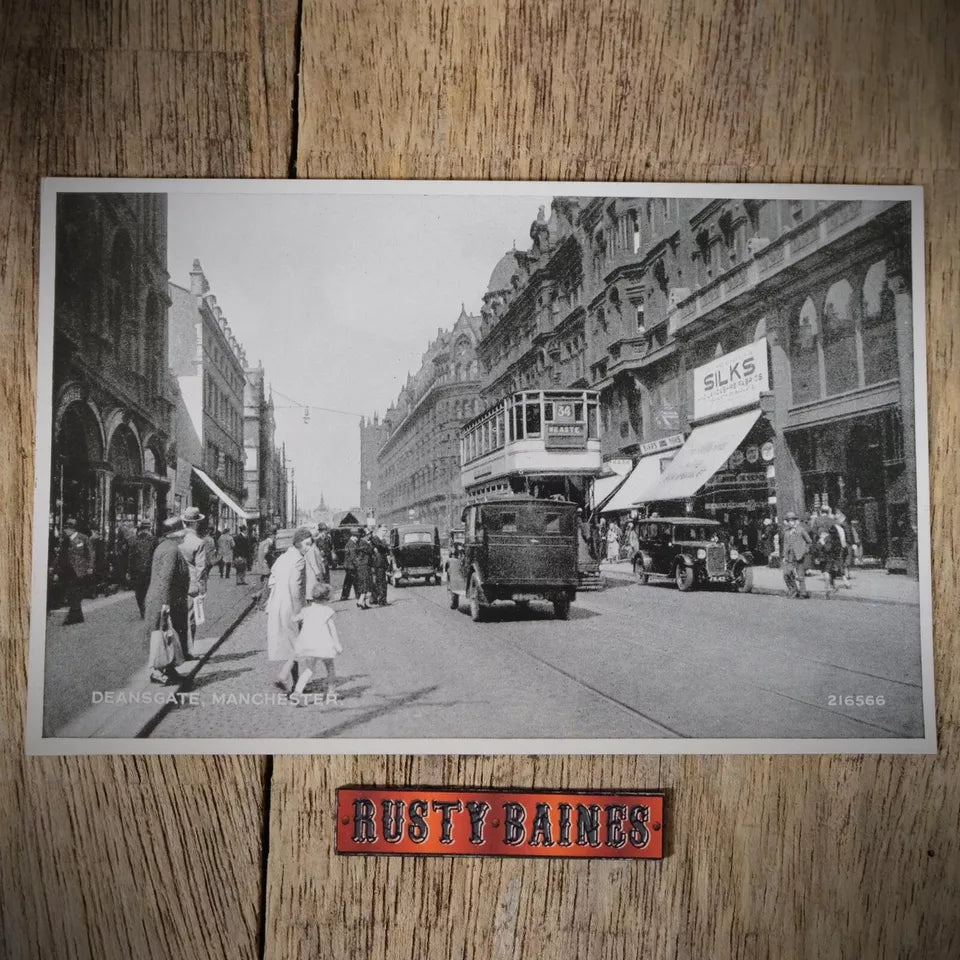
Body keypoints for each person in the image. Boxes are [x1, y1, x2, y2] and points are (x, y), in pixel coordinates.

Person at [142, 516, 196, 681]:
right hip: (163, 599)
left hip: (162, 598)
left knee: (166, 636)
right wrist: (165, 604)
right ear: (175, 535)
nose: (184, 536)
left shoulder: (165, 546)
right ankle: (162, 671)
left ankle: (167, 670)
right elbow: (165, 578)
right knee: (164, 636)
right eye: (182, 533)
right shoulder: (171, 550)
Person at [266, 526, 313, 694]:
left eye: (310, 544)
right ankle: (287, 679)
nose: (308, 547)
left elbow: (271, 581)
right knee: (297, 645)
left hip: (277, 605)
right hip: (291, 607)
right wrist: (300, 611)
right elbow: (295, 587)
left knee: (292, 645)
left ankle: (294, 682)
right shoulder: (299, 560)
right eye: (306, 544)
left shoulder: (283, 557)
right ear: (298, 543)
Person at [290, 582, 342, 705]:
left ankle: (297, 692)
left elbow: (295, 619)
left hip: (308, 644)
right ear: (326, 598)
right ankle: (331, 692)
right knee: (330, 667)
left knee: (309, 669)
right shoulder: (327, 611)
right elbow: (332, 629)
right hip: (323, 644)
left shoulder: (306, 610)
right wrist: (337, 644)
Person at [57, 518, 93, 624]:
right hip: (67, 571)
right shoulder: (65, 541)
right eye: (65, 529)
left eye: (67, 529)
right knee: (73, 594)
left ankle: (72, 617)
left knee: (75, 593)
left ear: (72, 529)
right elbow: (61, 556)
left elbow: (90, 553)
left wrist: (90, 567)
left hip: (79, 570)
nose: (65, 531)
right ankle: (78, 616)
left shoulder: (83, 538)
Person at [127, 520, 158, 618]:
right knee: (149, 590)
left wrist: (129, 571)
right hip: (150, 570)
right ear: (149, 528)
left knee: (139, 592)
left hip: (137, 571)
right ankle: (148, 609)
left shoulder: (134, 540)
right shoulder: (154, 540)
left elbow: (131, 557)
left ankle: (142, 610)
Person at [781, 511, 812, 599]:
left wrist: (805, 550)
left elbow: (809, 541)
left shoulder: (801, 530)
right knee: (787, 573)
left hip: (799, 555)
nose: (790, 522)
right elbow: (785, 544)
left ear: (795, 521)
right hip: (789, 555)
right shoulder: (786, 532)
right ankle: (793, 589)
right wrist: (784, 556)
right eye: (789, 521)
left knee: (800, 574)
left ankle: (803, 592)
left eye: (792, 520)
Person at [253, 526, 278, 610]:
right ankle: (261, 604)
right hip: (265, 568)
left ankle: (258, 599)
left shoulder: (262, 542)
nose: (275, 538)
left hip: (260, 566)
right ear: (272, 536)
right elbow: (266, 553)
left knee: (264, 585)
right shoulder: (268, 543)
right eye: (275, 536)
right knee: (266, 586)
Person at [369, 528, 389, 605]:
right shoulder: (375, 539)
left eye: (385, 530)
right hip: (378, 563)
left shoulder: (380, 539)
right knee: (381, 582)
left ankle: (375, 599)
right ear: (378, 531)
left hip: (381, 563)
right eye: (383, 530)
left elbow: (385, 549)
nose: (385, 532)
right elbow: (383, 548)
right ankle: (381, 600)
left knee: (379, 582)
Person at [339, 528, 360, 601]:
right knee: (355, 580)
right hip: (351, 566)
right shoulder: (351, 544)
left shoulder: (350, 543)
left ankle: (344, 596)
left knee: (348, 581)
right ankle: (358, 595)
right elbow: (353, 556)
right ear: (353, 536)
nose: (357, 538)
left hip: (348, 565)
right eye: (356, 536)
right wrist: (358, 565)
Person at [355, 530, 374, 609]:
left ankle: (363, 603)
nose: (370, 536)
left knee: (364, 583)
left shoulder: (360, 542)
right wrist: (370, 544)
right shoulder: (364, 543)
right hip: (364, 565)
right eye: (369, 534)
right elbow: (370, 551)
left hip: (362, 565)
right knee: (365, 583)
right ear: (366, 535)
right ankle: (360, 601)